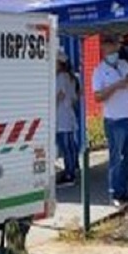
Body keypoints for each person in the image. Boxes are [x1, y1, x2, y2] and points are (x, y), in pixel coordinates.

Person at [92, 33, 128, 207]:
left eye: (117, 45)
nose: (116, 48)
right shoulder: (99, 71)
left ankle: (124, 190)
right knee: (116, 157)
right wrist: (116, 86)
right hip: (114, 120)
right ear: (105, 48)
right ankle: (115, 192)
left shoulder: (123, 64)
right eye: (112, 45)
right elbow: (97, 97)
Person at [55, 50, 80, 186]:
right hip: (69, 115)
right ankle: (73, 169)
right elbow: (75, 99)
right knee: (70, 145)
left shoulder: (60, 78)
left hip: (62, 116)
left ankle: (69, 174)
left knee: (66, 147)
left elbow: (58, 96)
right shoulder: (71, 78)